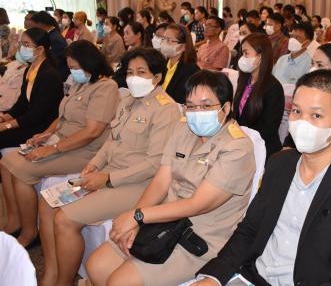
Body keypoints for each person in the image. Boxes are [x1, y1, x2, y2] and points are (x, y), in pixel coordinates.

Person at [192, 70, 331, 286]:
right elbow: (248, 231)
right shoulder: (279, 165)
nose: (302, 122)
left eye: (316, 116)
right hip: (253, 277)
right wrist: (214, 277)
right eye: (296, 111)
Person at [86, 70, 256, 286]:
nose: (196, 112)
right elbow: (161, 180)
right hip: (162, 221)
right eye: (191, 106)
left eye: (206, 106)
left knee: (121, 282)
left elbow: (198, 205)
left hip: (200, 235)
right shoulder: (184, 127)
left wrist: (139, 216)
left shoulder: (237, 148)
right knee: (96, 265)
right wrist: (135, 221)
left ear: (227, 107)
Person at [37, 47, 181, 286]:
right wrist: (94, 164)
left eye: (142, 72)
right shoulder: (127, 100)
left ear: (156, 77)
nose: (134, 77)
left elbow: (155, 164)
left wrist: (108, 178)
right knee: (48, 201)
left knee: (64, 219)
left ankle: (63, 281)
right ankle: (51, 273)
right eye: (130, 72)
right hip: (107, 175)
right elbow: (112, 140)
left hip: (137, 185)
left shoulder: (165, 109)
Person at [1, 40, 119, 253]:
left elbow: (91, 132)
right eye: (71, 67)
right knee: (8, 161)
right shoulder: (80, 82)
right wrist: (46, 134)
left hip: (85, 150)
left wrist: (53, 148)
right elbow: (62, 115)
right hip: (62, 141)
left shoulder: (106, 87)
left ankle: (30, 232)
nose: (72, 72)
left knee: (21, 169)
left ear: (89, 64)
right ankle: (14, 220)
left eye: (75, 67)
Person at [0, 28, 63, 150]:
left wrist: (7, 125)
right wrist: (3, 118)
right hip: (29, 120)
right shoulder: (30, 69)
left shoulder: (49, 75)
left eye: (26, 44)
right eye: (21, 43)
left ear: (40, 49)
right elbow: (22, 103)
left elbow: (38, 114)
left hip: (42, 127)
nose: (21, 48)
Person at [234, 33, 285, 156]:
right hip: (242, 144)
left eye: (246, 53)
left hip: (262, 149)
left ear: (261, 56)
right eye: (242, 54)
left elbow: (269, 128)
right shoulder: (244, 80)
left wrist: (244, 139)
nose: (242, 58)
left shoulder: (273, 87)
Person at [159, 23, 200, 104]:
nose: (164, 43)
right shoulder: (164, 64)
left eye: (169, 40)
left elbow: (180, 101)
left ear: (183, 46)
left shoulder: (191, 71)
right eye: (163, 39)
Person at [31, 11, 69, 80]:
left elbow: (55, 61)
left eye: (34, 26)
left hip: (58, 76)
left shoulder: (54, 38)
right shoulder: (51, 35)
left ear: (40, 24)